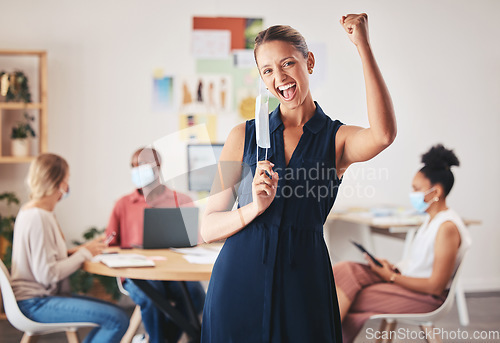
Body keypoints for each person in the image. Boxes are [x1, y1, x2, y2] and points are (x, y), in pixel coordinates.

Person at [200, 14, 396, 343]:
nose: (280, 78)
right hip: (239, 281)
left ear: (310, 62)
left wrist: (362, 45)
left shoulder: (336, 139)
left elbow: (384, 134)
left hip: (304, 284)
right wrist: (253, 208)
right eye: (268, 70)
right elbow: (207, 227)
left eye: (288, 63)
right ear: (263, 80)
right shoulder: (243, 136)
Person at [333, 144, 471, 343]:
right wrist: (393, 269)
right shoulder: (431, 221)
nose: (412, 194)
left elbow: (435, 287)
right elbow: (418, 267)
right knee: (345, 270)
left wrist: (390, 276)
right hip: (409, 287)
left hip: (425, 299)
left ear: (436, 191)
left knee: (346, 293)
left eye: (417, 189)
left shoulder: (447, 227)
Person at [11, 153, 129, 343]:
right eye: (66, 179)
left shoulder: (34, 211)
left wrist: (81, 250)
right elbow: (47, 274)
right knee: (117, 319)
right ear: (57, 182)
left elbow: (44, 257)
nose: (67, 186)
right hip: (35, 303)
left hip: (36, 299)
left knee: (116, 315)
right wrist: (83, 254)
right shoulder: (38, 217)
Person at [105, 147, 206, 343]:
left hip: (175, 273)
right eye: (134, 165)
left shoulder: (182, 200)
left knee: (197, 296)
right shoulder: (123, 204)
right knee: (152, 296)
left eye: (143, 164)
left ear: (158, 167)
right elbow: (109, 243)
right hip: (138, 274)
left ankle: (158, 340)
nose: (138, 169)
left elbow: (196, 241)